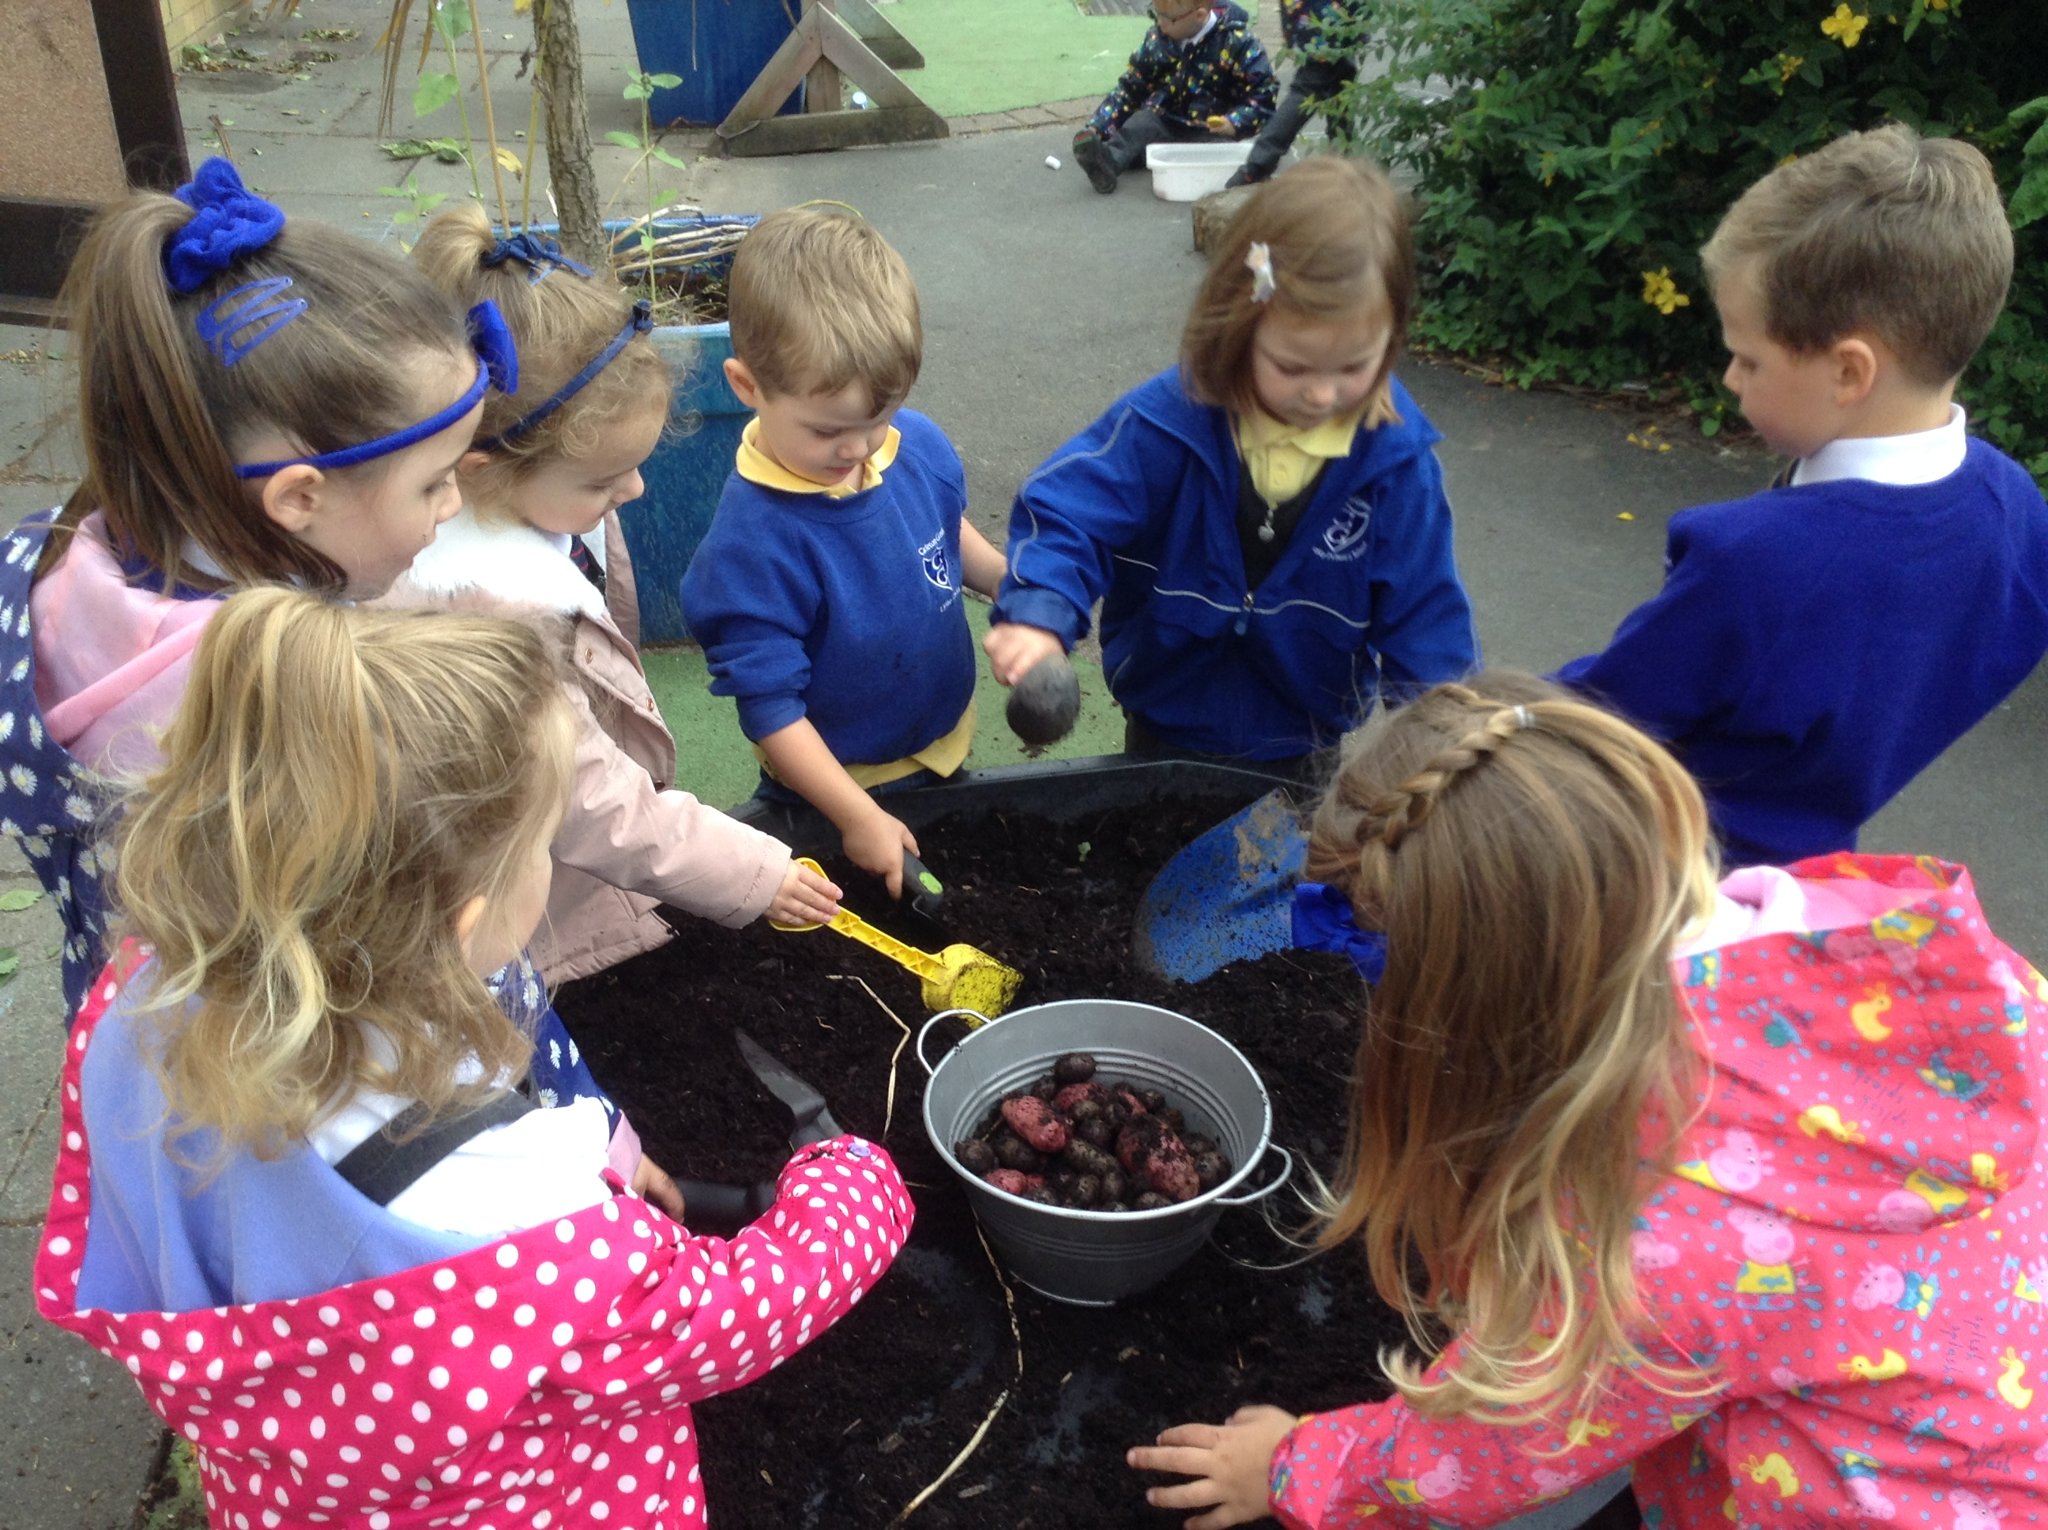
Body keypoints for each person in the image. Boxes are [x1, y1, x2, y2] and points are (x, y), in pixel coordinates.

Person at [35, 588, 912, 1530]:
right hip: (525, 1500)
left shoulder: (148, 999)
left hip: (291, 1479)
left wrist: (601, 1157)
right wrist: (853, 1188)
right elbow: (715, 1320)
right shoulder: (511, 1219)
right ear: (462, 915)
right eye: (543, 845)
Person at [1129, 671, 2048, 1529]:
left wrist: (1294, 1466)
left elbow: (1488, 1445)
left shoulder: (1646, 1239)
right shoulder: (1875, 947)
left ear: (1483, 1015)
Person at [0, 156, 508, 1017]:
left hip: (140, 1037)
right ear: (299, 497)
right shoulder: (296, 710)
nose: (454, 505)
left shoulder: (53, 556)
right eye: (435, 482)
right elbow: (389, 960)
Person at [1558, 123, 2048, 868]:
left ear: (1850, 373)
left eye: (1747, 358)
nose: (1730, 380)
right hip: (1815, 878)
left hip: (1663, 874)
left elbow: (1600, 718)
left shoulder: (1753, 560)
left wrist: (1475, 718)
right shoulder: (2016, 512)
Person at [391, 205, 840, 984]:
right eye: (602, 480)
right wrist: (754, 874)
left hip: (551, 870)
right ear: (481, 471)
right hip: (499, 918)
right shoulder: (487, 620)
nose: (632, 490)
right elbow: (594, 803)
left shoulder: (539, 510)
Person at [985, 157, 1476, 769]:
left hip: (1306, 739)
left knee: (1295, 860)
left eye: (1354, 368)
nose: (1321, 395)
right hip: (1167, 726)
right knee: (1157, 851)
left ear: (1392, 339)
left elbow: (1425, 615)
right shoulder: (1169, 423)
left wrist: (1444, 740)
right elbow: (1069, 513)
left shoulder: (1393, 465)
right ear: (1240, 328)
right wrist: (1039, 614)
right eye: (1292, 366)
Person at [680, 208, 1005, 897]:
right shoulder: (753, 547)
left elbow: (943, 530)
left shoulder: (909, 444)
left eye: (876, 421)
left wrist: (1011, 585)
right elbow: (771, 712)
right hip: (837, 786)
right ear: (746, 387)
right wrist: (857, 816)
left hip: (942, 738)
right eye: (829, 430)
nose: (858, 449)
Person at [1071, 0, 1277, 196]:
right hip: (1167, 119)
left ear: (1200, 15)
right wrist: (1097, 127)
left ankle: (1138, 156)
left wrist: (1235, 121)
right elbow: (1130, 88)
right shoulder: (1158, 40)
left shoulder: (1237, 42)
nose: (1160, 23)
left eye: (1168, 19)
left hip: (1212, 128)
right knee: (1141, 124)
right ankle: (1108, 162)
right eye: (1155, 12)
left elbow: (1263, 93)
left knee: (1218, 151)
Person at [1227, 0, 1362, 189]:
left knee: (1340, 84)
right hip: (1326, 20)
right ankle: (1257, 165)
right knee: (1310, 87)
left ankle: (1344, 160)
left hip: (1314, 18)